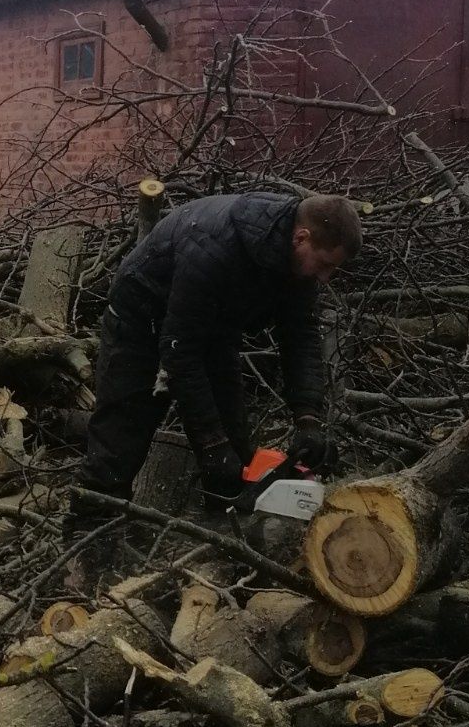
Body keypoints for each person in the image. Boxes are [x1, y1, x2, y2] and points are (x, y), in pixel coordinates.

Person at [72, 192, 362, 545]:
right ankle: (86, 540)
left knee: (235, 453)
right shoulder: (215, 247)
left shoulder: (295, 260)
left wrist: (308, 418)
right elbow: (179, 351)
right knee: (120, 438)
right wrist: (210, 443)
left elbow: (300, 335)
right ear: (301, 238)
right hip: (141, 318)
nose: (326, 277)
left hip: (211, 327)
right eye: (325, 264)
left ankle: (222, 548)